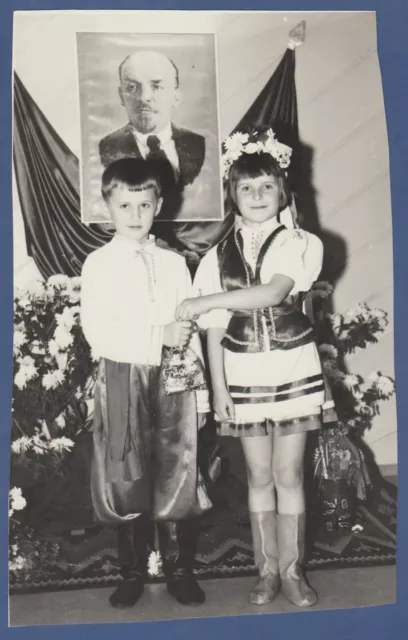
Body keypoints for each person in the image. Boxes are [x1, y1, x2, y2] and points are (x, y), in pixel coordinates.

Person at [176, 132, 325, 608]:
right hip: (242, 375)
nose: (257, 196)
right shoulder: (217, 255)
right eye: (246, 188)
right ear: (232, 195)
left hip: (294, 366)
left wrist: (204, 300)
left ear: (282, 191)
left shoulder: (300, 242)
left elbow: (273, 292)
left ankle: (293, 571)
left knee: (290, 473)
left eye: (266, 187)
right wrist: (219, 388)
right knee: (259, 475)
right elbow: (216, 329)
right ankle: (266, 572)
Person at [80, 157, 210, 609]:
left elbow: (188, 329)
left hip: (174, 375)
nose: (135, 216)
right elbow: (98, 332)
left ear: (159, 205)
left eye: (145, 205)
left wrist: (202, 392)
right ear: (108, 206)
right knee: (127, 472)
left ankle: (179, 569)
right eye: (125, 205)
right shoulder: (98, 264)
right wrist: (158, 337)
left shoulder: (174, 264)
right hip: (123, 376)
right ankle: (132, 570)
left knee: (178, 468)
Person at [99, 51, 205, 191]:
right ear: (121, 96)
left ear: (176, 95)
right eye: (132, 87)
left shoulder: (198, 145)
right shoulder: (107, 148)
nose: (144, 97)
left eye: (156, 86)